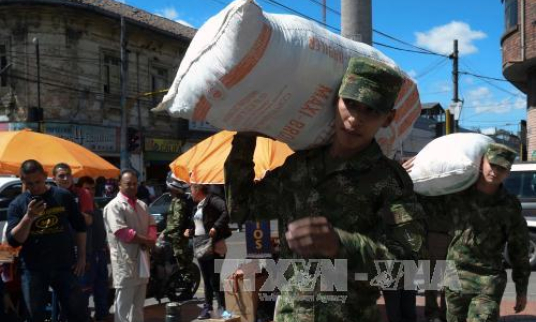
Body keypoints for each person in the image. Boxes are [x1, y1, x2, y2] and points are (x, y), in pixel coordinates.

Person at [224, 57, 426, 322]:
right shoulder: (298, 167)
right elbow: (242, 212)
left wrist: (341, 244)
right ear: (335, 101)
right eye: (350, 104)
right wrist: (245, 139)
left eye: (371, 110)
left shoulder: (389, 181)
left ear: (388, 119)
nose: (355, 118)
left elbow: (405, 269)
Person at [416, 143, 531, 322]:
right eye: (493, 165)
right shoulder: (456, 195)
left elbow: (519, 249)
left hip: (488, 279)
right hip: (455, 277)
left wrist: (521, 289)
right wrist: (403, 174)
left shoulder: (509, 205)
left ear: (508, 172)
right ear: (482, 163)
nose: (495, 171)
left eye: (502, 168)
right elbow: (422, 200)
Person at [6, 159, 88, 322]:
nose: (35, 187)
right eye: (29, 183)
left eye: (38, 181)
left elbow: (80, 227)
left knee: (77, 313)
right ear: (22, 180)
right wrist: (29, 217)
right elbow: (14, 241)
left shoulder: (63, 196)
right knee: (33, 315)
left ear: (45, 176)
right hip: (33, 269)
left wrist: (82, 257)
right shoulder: (17, 204)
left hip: (64, 266)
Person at [103, 169, 156, 322]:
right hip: (124, 262)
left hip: (142, 260)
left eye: (135, 183)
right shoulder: (114, 206)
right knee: (123, 307)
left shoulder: (142, 205)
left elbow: (152, 225)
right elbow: (123, 233)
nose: (132, 187)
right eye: (128, 184)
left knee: (139, 306)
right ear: (119, 185)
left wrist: (151, 238)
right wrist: (147, 241)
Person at [52, 163, 95, 315]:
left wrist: (71, 209)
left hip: (79, 251)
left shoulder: (82, 193)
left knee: (79, 294)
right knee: (58, 295)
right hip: (56, 254)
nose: (65, 178)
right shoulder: (50, 195)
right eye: (61, 176)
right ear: (54, 178)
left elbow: (89, 220)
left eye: (68, 175)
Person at [186, 183, 231, 320]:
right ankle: (208, 307)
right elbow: (201, 226)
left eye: (191, 189)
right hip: (201, 245)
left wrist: (216, 227)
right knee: (206, 279)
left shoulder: (212, 200)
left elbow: (226, 210)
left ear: (198, 189)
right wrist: (191, 231)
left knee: (214, 278)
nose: (190, 193)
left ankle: (222, 308)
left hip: (215, 246)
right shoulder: (198, 206)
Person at [78, 176, 110, 322]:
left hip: (100, 252)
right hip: (86, 255)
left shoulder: (96, 206)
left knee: (102, 287)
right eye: (86, 188)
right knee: (84, 291)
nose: (90, 191)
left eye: (92, 188)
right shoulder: (78, 207)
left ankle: (102, 315)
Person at [160, 175, 195, 299]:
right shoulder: (175, 200)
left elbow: (177, 223)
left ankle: (187, 290)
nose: (168, 190)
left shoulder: (180, 202)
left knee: (183, 266)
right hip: (173, 238)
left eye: (170, 188)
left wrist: (165, 232)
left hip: (179, 240)